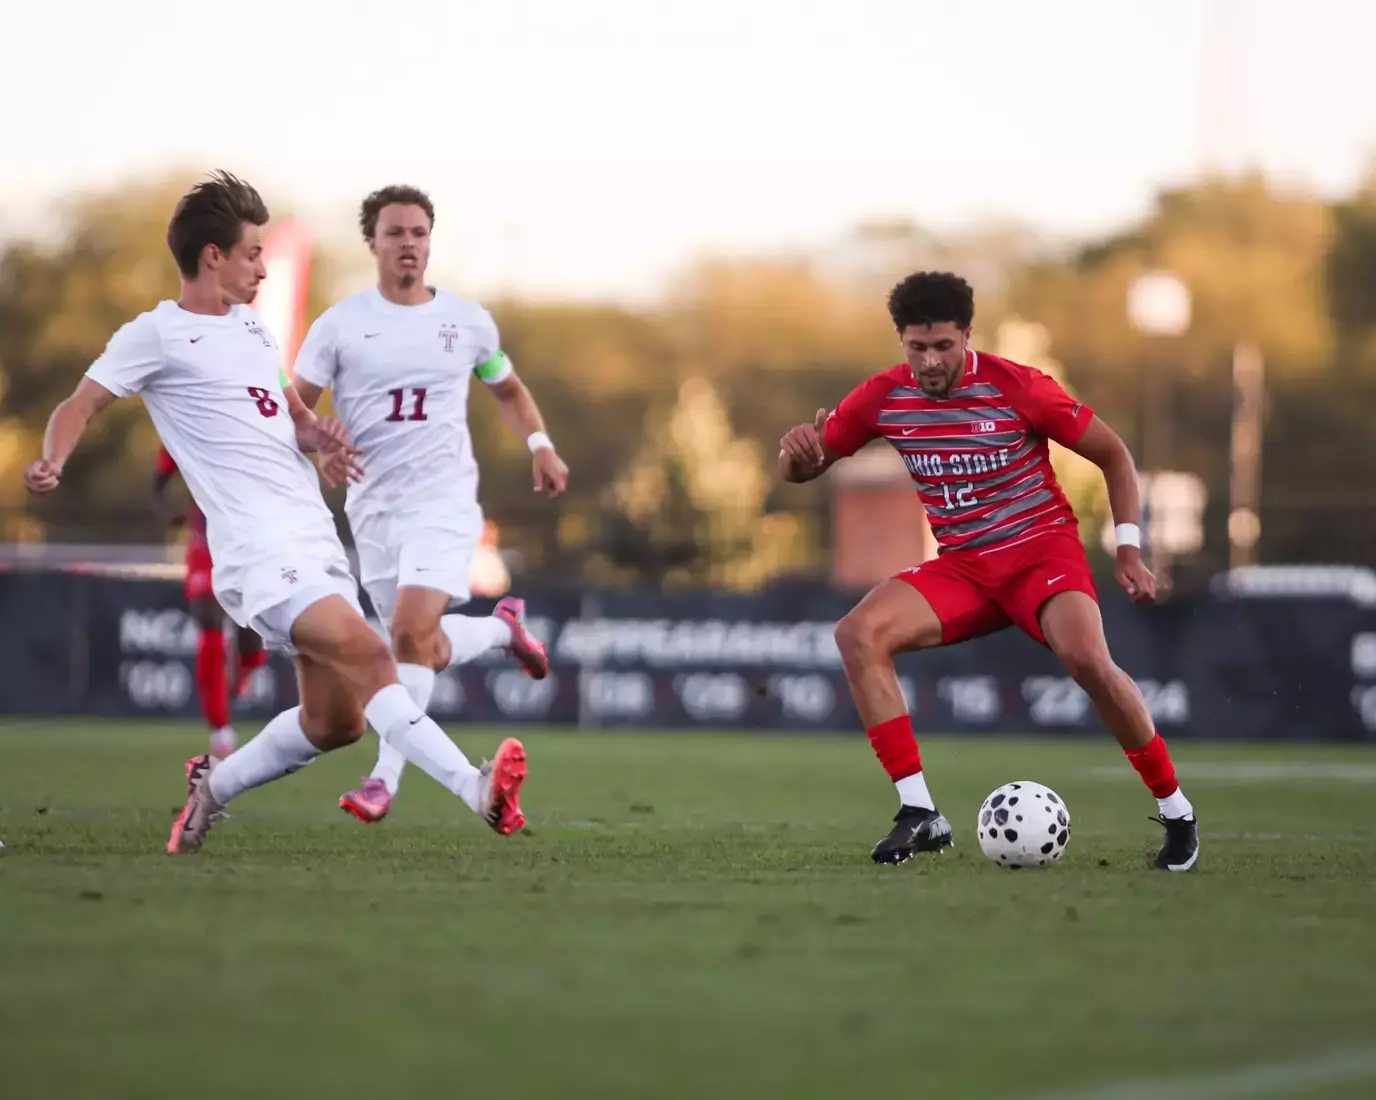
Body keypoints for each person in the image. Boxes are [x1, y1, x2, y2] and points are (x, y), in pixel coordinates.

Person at [24, 171, 529, 855]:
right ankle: (479, 793)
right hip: (258, 550)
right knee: (373, 652)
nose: (263, 266)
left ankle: (213, 789)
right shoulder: (158, 335)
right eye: (252, 252)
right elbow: (79, 403)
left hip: (313, 539)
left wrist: (318, 440)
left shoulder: (255, 333)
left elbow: (292, 416)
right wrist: (53, 458)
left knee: (335, 722)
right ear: (213, 257)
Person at [778, 271, 1199, 872]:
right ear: (901, 341)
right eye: (916, 347)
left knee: (1087, 661)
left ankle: (1177, 811)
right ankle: (919, 812)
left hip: (1039, 556)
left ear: (967, 336)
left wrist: (1129, 549)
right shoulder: (883, 396)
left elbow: (1114, 455)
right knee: (857, 634)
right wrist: (796, 457)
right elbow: (807, 466)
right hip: (965, 570)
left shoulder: (1019, 386)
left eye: (943, 346)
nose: (929, 361)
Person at [291, 184, 568, 825]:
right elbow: (292, 408)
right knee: (414, 648)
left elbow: (507, 389)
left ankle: (384, 778)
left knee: (409, 635)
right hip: (373, 509)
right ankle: (504, 629)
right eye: (395, 233)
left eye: (419, 232)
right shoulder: (338, 325)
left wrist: (541, 444)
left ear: (428, 242)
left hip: (443, 503)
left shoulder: (466, 322)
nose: (408, 243)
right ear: (373, 244)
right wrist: (317, 451)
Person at [152, 445, 267, 757]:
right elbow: (159, 480)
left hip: (250, 545)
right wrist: (169, 511)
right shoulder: (187, 420)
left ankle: (238, 679)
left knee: (253, 638)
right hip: (205, 545)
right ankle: (220, 731)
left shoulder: (253, 419)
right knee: (210, 627)